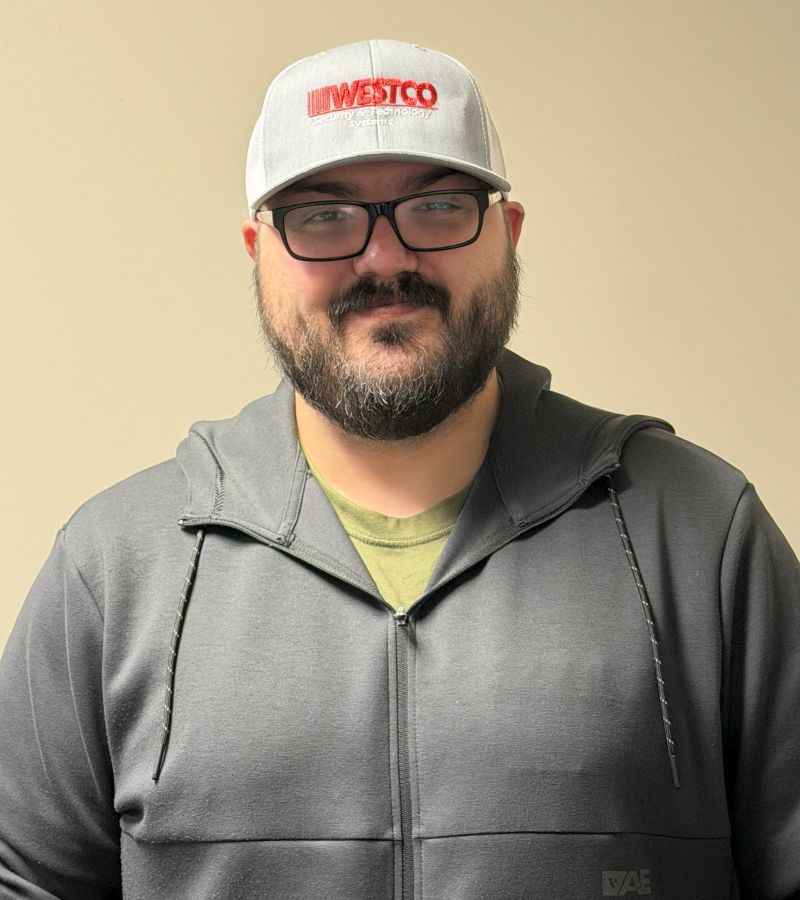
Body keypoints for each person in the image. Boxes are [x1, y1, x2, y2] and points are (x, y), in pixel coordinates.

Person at [0, 38, 798, 900]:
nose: (384, 259)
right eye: (323, 216)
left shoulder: (704, 535)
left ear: (509, 233)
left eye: (438, 205)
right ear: (257, 252)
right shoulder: (112, 570)